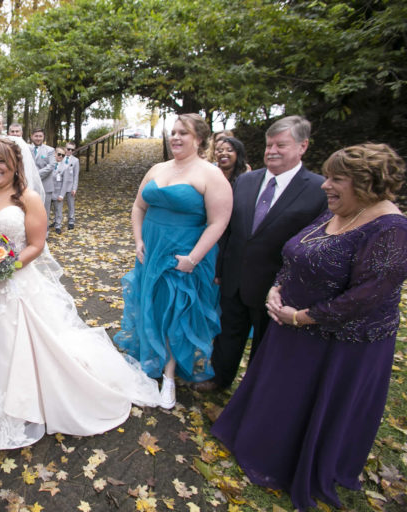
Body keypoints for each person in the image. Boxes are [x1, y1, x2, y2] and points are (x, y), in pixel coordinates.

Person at [212, 143, 407, 510]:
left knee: (309, 404)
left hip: (339, 344)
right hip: (291, 328)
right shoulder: (340, 209)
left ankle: (293, 462)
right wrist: (277, 286)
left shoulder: (391, 228)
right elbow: (298, 250)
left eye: (336, 179)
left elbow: (368, 295)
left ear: (366, 183)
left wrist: (302, 317)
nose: (324, 185)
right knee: (280, 395)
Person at [0, 137, 161, 456]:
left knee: (11, 345)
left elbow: (36, 245)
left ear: (16, 165)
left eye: (2, 162)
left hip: (14, 285)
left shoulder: (29, 199)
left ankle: (17, 405)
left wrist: (3, 267)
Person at [193, 116, 327, 393]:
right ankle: (219, 378)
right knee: (228, 333)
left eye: (281, 145)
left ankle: (254, 390)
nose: (272, 151)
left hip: (276, 286)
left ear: (303, 146)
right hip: (234, 277)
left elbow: (315, 243)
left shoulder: (318, 189)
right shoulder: (246, 181)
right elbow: (228, 227)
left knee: (266, 342)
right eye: (269, 145)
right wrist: (219, 269)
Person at [114, 114, 233, 409]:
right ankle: (147, 362)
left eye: (184, 133)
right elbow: (139, 206)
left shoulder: (210, 174)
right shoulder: (157, 168)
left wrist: (193, 258)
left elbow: (218, 222)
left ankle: (168, 377)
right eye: (174, 132)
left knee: (174, 311)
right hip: (151, 249)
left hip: (183, 254)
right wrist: (139, 240)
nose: (176, 138)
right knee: (149, 303)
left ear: (200, 139)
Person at [29, 128, 57, 226]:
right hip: (30, 185)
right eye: (36, 136)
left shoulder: (50, 150)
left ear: (43, 137)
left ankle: (45, 234)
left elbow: (51, 166)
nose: (38, 138)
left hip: (46, 185)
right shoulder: (26, 148)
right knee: (30, 210)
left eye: (40, 136)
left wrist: (35, 175)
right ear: (32, 136)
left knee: (45, 211)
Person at [62, 141, 80, 229]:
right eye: (68, 149)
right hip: (60, 185)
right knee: (58, 205)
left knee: (71, 204)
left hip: (70, 185)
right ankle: (57, 220)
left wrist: (74, 188)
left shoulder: (75, 160)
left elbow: (76, 175)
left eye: (72, 150)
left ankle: (71, 220)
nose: (69, 151)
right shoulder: (60, 157)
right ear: (65, 148)